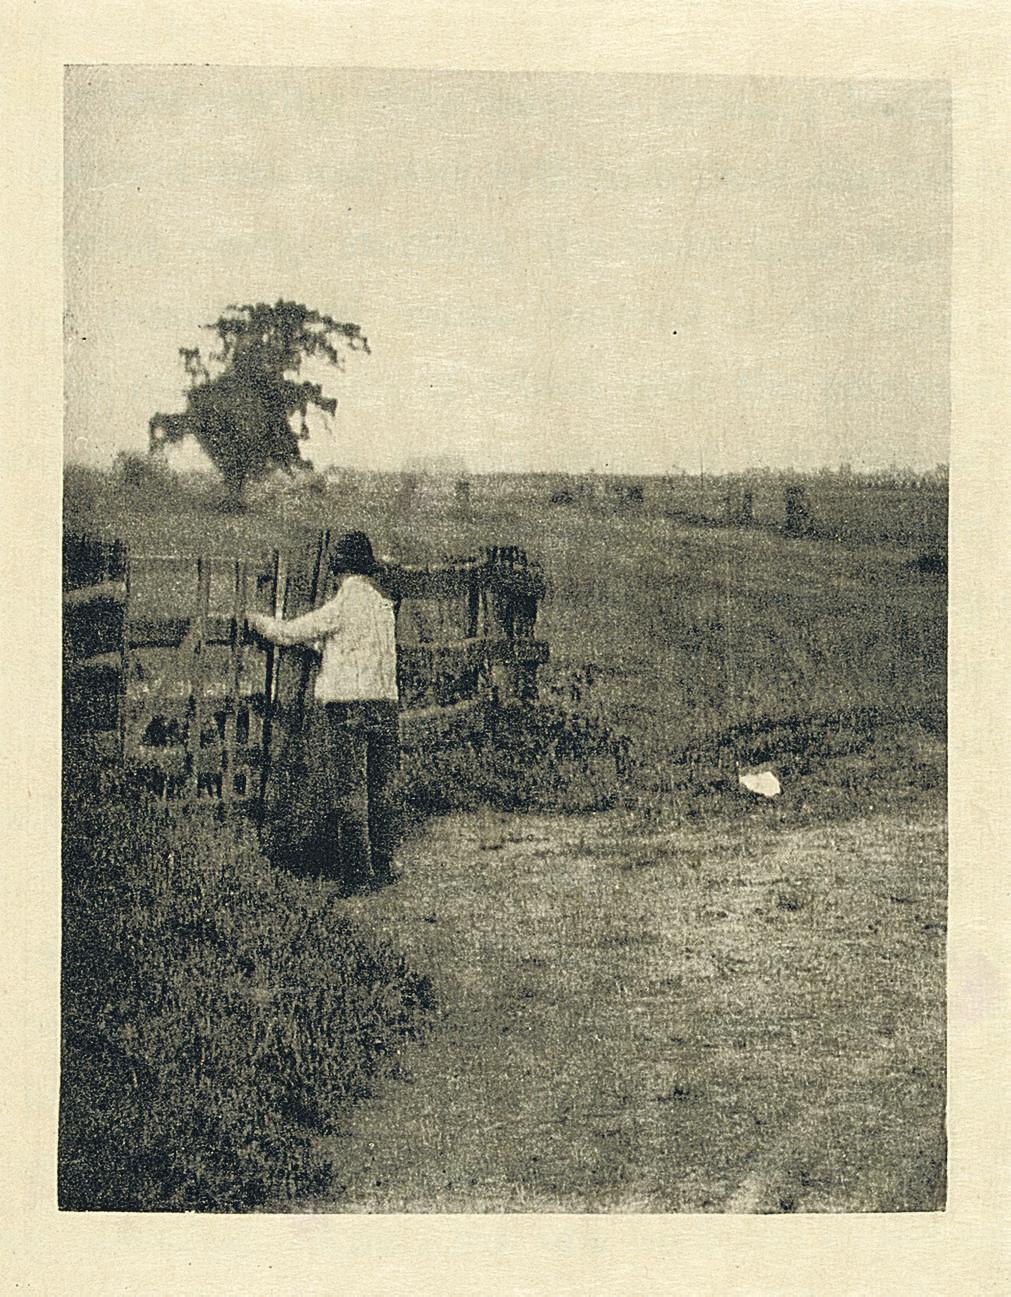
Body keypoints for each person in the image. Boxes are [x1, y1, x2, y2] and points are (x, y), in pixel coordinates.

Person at [247, 531, 400, 890]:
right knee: (380, 789)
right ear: (367, 570)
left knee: (350, 792)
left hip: (348, 707)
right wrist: (327, 650)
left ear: (339, 571)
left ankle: (358, 877)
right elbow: (358, 649)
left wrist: (258, 621)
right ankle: (383, 864)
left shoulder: (341, 606)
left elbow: (286, 634)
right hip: (384, 704)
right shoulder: (382, 607)